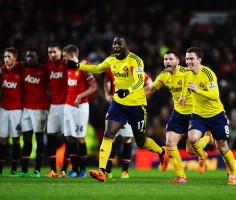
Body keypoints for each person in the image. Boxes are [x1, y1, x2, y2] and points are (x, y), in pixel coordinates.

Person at [67, 36, 170, 182]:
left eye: (119, 44)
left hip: (136, 105)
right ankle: (102, 171)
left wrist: (127, 91)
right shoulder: (111, 60)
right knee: (109, 133)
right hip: (118, 104)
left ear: (126, 45)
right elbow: (97, 69)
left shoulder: (135, 60)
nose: (115, 46)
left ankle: (161, 152)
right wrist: (78, 66)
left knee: (140, 141)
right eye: (114, 43)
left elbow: (140, 80)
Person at [145, 50, 215, 184]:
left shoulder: (187, 73)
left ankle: (207, 139)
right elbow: (151, 89)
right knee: (170, 142)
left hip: (194, 112)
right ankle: (181, 176)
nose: (168, 62)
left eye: (171, 59)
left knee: (190, 150)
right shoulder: (164, 75)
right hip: (178, 113)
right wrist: (132, 95)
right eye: (165, 59)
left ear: (178, 61)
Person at [183, 46, 236, 185]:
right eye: (187, 58)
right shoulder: (186, 74)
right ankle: (202, 155)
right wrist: (182, 97)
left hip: (216, 115)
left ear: (199, 60)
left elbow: (215, 95)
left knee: (222, 148)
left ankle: (233, 174)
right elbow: (185, 88)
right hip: (198, 115)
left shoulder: (208, 74)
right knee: (192, 138)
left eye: (191, 58)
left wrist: (198, 90)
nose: (188, 61)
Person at [104, 69, 153, 179]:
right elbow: (106, 80)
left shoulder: (136, 70)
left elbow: (151, 84)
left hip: (131, 108)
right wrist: (107, 95)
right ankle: (107, 170)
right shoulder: (113, 68)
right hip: (116, 108)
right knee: (111, 138)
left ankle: (125, 171)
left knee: (127, 138)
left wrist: (139, 95)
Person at [62, 44, 98, 178]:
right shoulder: (68, 68)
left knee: (80, 137)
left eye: (65, 57)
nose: (64, 60)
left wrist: (80, 96)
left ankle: (82, 170)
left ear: (72, 56)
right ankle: (75, 170)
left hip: (81, 107)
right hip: (68, 106)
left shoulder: (83, 67)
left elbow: (94, 87)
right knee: (69, 138)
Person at [13, 48, 49, 178]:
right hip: (26, 109)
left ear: (37, 57)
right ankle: (24, 170)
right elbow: (11, 62)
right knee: (26, 139)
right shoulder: (23, 68)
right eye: (28, 56)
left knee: (39, 139)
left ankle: (38, 170)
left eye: (32, 56)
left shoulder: (44, 69)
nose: (29, 59)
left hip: (40, 109)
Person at [0, 47, 24, 177]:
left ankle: (14, 169)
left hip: (17, 110)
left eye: (9, 56)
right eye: (5, 56)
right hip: (3, 109)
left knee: (16, 140)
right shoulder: (1, 72)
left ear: (15, 58)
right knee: (2, 140)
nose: (6, 59)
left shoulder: (21, 69)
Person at [46, 43, 70, 178]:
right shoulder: (48, 66)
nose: (52, 55)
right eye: (49, 53)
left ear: (60, 52)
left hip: (67, 105)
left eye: (54, 52)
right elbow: (47, 83)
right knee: (51, 135)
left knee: (68, 138)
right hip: (54, 105)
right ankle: (53, 170)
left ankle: (64, 170)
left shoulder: (66, 63)